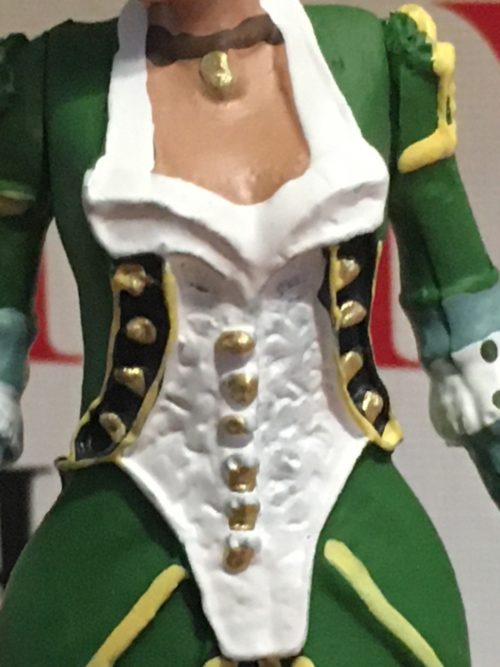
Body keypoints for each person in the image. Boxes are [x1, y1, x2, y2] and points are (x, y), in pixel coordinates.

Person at [0, 1, 498, 665]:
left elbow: (468, 322)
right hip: (109, 579)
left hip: (364, 572)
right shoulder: (48, 82)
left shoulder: (375, 60)